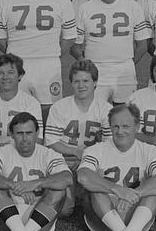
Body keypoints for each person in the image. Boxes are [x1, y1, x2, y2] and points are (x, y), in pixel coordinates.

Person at [0, 0, 77, 122]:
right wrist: (14, 56)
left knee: (50, 113)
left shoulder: (60, 0)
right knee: (17, 112)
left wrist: (53, 52)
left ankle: (48, 148)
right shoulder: (6, 2)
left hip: (48, 65)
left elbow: (70, 36)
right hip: (18, 66)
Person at [77, 103, 156, 231]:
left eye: (126, 126)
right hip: (103, 218)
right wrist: (117, 190)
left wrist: (135, 194)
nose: (120, 131)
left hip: (136, 216)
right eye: (115, 126)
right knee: (96, 188)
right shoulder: (96, 149)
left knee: (154, 191)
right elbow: (83, 176)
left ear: (137, 126)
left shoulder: (149, 150)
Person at [0, 112, 73, 231]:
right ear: (11, 134)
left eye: (29, 133)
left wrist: (35, 184)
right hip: (6, 218)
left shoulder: (48, 154)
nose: (24, 138)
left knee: (60, 189)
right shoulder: (1, 152)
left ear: (37, 133)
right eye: (19, 133)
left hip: (40, 219)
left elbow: (67, 178)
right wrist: (15, 186)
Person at [71, 0, 150, 104]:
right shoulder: (85, 8)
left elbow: (142, 45)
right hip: (96, 71)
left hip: (124, 73)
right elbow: (75, 46)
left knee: (124, 117)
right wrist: (86, 64)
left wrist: (128, 64)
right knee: (95, 116)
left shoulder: (133, 7)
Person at [44, 59, 112, 216]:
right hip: (63, 161)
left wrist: (88, 157)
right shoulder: (60, 107)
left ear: (95, 82)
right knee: (64, 211)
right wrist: (76, 152)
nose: (81, 85)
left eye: (86, 81)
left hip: (92, 162)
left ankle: (84, 192)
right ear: (71, 84)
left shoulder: (105, 109)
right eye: (76, 81)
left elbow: (109, 144)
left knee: (95, 207)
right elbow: (52, 142)